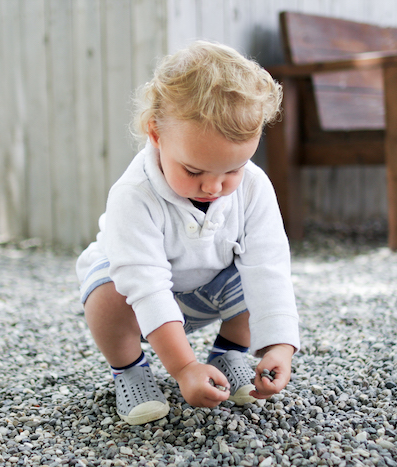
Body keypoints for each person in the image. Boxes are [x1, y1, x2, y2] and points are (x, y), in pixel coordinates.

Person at [75, 41, 300, 426]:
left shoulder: (254, 188)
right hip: (140, 298)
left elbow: (269, 266)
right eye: (194, 171)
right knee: (105, 295)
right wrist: (182, 369)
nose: (213, 187)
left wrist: (280, 345)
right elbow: (145, 285)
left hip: (209, 289)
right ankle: (129, 369)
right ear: (156, 134)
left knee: (253, 279)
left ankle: (228, 354)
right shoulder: (134, 195)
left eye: (233, 169)